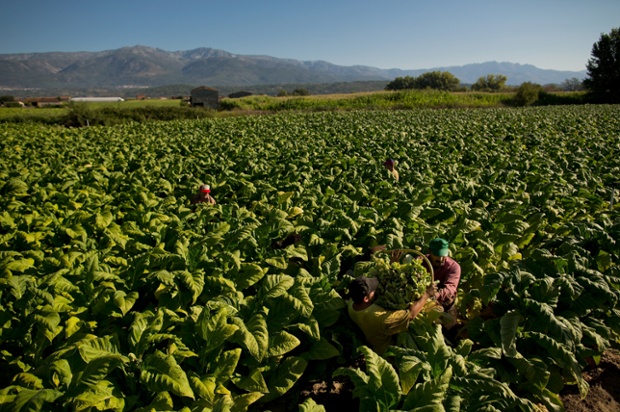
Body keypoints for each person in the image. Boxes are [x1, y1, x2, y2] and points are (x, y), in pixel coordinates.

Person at [347, 276, 436, 355]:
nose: (376, 290)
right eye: (373, 290)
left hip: (372, 340)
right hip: (389, 353)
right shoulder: (378, 316)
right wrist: (426, 294)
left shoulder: (352, 303)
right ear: (366, 299)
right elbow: (410, 314)